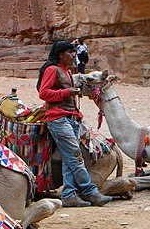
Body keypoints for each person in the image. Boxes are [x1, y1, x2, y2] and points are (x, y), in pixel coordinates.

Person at [37, 40, 111, 208]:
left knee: (69, 159)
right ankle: (90, 192)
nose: (73, 55)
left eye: (73, 52)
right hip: (58, 119)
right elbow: (43, 93)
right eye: (70, 52)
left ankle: (69, 194)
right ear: (60, 55)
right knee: (76, 157)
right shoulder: (51, 70)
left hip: (71, 119)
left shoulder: (66, 71)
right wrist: (67, 92)